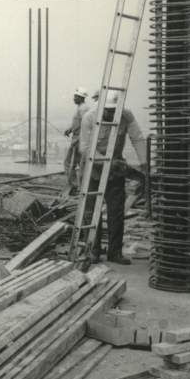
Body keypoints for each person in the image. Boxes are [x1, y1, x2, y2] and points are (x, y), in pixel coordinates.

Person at [79, 89, 148, 264]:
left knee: (116, 213)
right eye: (107, 110)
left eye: (113, 110)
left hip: (115, 171)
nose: (110, 113)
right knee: (91, 213)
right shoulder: (89, 117)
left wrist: (144, 163)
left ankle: (114, 252)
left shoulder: (126, 116)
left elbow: (138, 138)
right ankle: (93, 251)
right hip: (93, 171)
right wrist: (106, 161)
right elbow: (85, 148)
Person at [63, 86, 91, 190]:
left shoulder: (83, 109)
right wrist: (70, 129)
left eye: (76, 96)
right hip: (78, 139)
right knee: (81, 164)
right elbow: (79, 123)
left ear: (81, 97)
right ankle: (82, 185)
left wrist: (79, 140)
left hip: (78, 140)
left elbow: (85, 125)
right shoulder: (81, 108)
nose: (74, 98)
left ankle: (74, 186)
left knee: (69, 163)